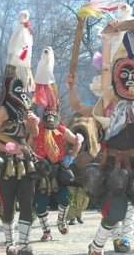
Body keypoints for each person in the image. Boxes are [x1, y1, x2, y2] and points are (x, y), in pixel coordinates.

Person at [68, 1, 134, 254]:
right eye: (124, 76)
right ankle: (96, 245)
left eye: (132, 76)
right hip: (114, 164)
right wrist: (108, 41)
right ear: (117, 80)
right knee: (116, 209)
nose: (129, 79)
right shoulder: (108, 100)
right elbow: (106, 69)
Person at [0, 10, 38, 255]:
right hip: (6, 163)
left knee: (27, 204)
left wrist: (33, 124)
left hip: (25, 163)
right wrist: (8, 147)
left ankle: (26, 243)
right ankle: (10, 243)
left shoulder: (27, 109)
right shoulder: (2, 111)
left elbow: (32, 137)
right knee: (8, 206)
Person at [32, 104, 82, 242]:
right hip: (41, 168)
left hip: (58, 168)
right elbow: (28, 144)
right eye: (47, 113)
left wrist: (70, 158)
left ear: (57, 115)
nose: (50, 116)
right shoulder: (37, 129)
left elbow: (78, 142)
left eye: (52, 113)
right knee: (41, 203)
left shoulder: (62, 130)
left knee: (64, 198)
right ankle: (46, 231)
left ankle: (61, 221)